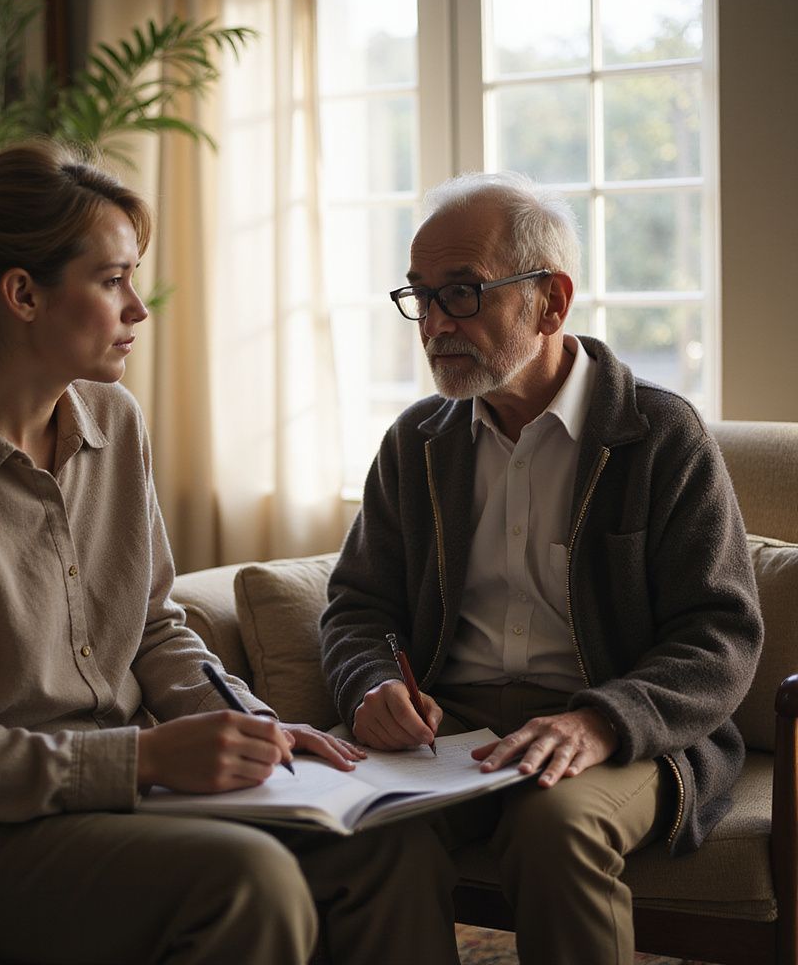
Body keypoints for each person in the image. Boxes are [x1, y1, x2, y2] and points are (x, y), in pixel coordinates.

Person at [0, 139, 459, 965]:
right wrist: (146, 756)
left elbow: (153, 626)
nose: (139, 309)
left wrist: (251, 724)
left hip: (121, 799)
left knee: (390, 845)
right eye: (113, 280)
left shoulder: (114, 424)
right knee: (247, 880)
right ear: (22, 295)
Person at [319, 171, 764, 965]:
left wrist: (601, 720)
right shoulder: (418, 441)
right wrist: (369, 684)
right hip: (450, 728)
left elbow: (720, 632)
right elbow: (358, 604)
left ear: (550, 301)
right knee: (362, 828)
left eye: (461, 293)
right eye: (419, 296)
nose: (432, 326)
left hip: (624, 731)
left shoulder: (659, 435)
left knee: (554, 829)